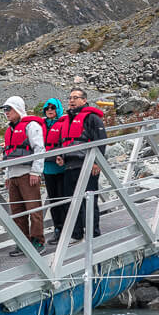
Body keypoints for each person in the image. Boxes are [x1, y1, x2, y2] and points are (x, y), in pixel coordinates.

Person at [56, 88, 106, 243]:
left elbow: (101, 140)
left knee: (89, 199)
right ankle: (77, 233)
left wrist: (97, 162)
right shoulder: (66, 120)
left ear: (84, 100)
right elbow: (62, 142)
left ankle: (93, 232)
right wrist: (61, 156)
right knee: (71, 200)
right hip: (70, 166)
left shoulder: (92, 118)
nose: (71, 101)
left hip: (87, 164)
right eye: (70, 98)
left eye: (75, 98)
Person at [1, 96, 47, 256]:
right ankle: (23, 241)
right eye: (5, 110)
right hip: (13, 175)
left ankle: (38, 240)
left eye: (9, 109)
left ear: (18, 108)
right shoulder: (10, 130)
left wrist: (35, 171)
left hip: (27, 174)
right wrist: (7, 175)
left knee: (33, 209)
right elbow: (9, 154)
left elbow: (39, 149)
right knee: (17, 211)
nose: (6, 113)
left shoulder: (31, 126)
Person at [41, 98, 67, 245]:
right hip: (47, 168)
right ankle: (58, 228)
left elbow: (66, 141)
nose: (50, 110)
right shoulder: (42, 125)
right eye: (47, 108)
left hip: (61, 167)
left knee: (64, 198)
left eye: (52, 107)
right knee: (54, 200)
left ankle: (67, 228)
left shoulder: (63, 123)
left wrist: (62, 156)